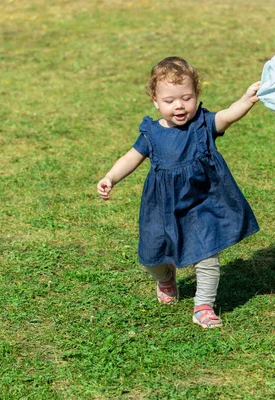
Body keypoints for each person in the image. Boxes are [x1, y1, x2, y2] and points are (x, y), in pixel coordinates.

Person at [97, 56, 260, 328]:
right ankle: (165, 278)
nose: (179, 106)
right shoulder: (151, 133)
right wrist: (111, 176)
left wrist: (246, 99)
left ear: (196, 95)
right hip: (161, 207)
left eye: (187, 97)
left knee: (207, 254)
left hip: (202, 203)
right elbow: (131, 157)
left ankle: (203, 306)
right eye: (170, 100)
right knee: (151, 256)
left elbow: (228, 115)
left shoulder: (203, 125)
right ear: (155, 100)